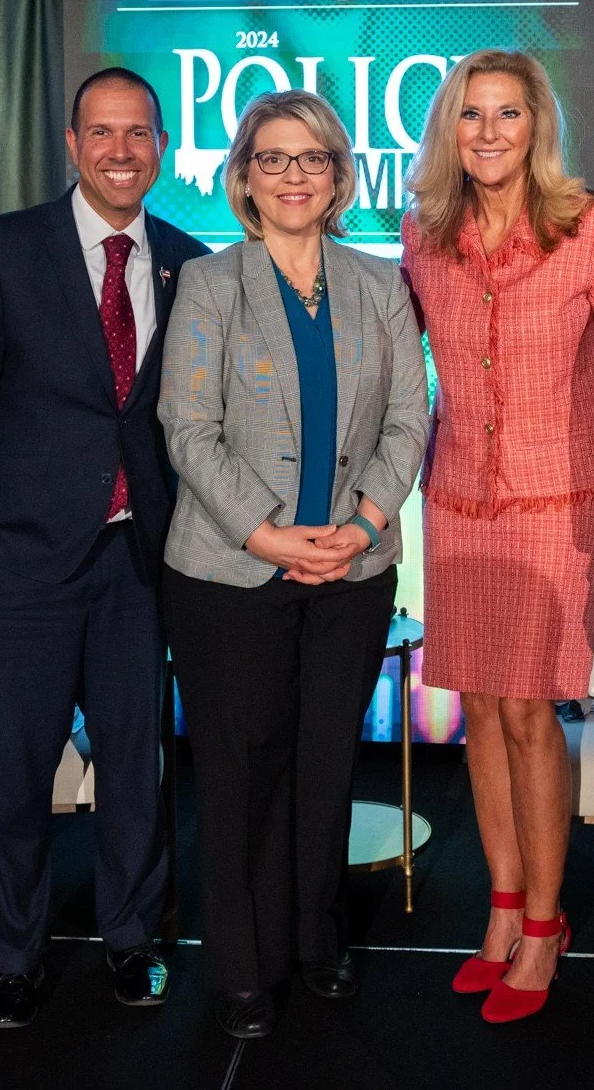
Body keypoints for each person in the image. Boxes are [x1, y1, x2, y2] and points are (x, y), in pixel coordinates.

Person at [0, 67, 208, 1030]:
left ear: (162, 147)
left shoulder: (189, 261)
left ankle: (134, 944)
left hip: (139, 564)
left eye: (139, 134)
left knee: (137, 771)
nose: (121, 150)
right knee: (16, 778)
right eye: (103, 132)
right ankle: (16, 957)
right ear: (72, 142)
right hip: (18, 569)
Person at [158, 90, 429, 1040]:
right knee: (239, 773)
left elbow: (409, 418)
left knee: (323, 765)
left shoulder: (379, 283)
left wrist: (360, 526)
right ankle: (240, 968)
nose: (293, 175)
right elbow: (186, 429)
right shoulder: (209, 283)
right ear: (242, 177)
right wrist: (268, 535)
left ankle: (316, 939)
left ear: (339, 175)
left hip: (353, 574)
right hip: (231, 575)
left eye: (312, 158)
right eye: (272, 159)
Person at [400, 49, 594, 1023]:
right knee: (481, 717)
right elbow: (383, 350)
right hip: (455, 504)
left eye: (508, 113)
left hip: (554, 506)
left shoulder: (589, 225)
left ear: (537, 124)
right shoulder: (424, 233)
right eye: (471, 114)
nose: (490, 131)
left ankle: (546, 923)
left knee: (532, 714)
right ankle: (501, 909)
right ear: (449, 130)